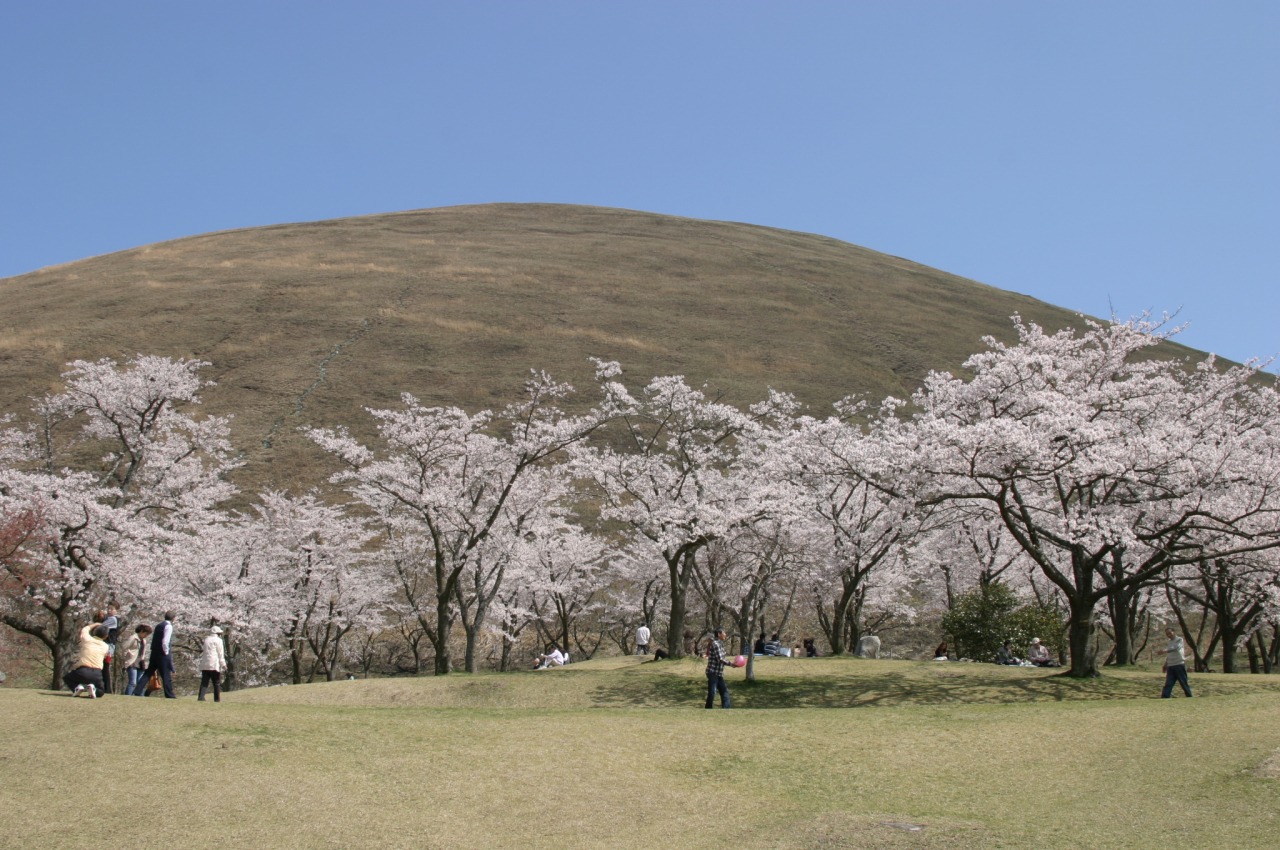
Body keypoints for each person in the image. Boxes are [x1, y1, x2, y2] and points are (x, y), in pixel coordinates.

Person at [132, 611, 177, 698]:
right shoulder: (168, 626)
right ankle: (169, 694)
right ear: (173, 618)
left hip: (154, 652)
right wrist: (166, 652)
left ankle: (137, 690)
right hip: (162, 653)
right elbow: (165, 641)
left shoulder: (159, 625)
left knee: (148, 672)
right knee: (166, 675)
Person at [63, 621, 110, 698]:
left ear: (94, 632)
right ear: (106, 636)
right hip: (96, 673)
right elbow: (105, 657)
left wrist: (96, 624)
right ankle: (94, 689)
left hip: (82, 671)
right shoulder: (106, 646)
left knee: (67, 678)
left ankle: (77, 687)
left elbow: (85, 629)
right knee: (101, 691)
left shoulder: (87, 639)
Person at [197, 625, 228, 702]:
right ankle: (217, 699)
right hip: (214, 664)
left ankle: (201, 697)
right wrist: (223, 665)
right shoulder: (218, 640)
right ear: (217, 633)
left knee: (204, 681)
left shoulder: (206, 639)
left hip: (205, 663)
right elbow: (220, 654)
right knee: (216, 682)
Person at [120, 623, 153, 697]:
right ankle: (127, 696)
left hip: (140, 662)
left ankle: (140, 697)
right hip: (132, 662)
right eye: (146, 633)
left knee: (140, 682)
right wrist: (127, 653)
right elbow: (124, 647)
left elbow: (143, 651)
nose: (146, 635)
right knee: (133, 682)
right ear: (141, 631)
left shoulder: (144, 640)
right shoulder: (133, 638)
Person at [1161, 627, 1193, 698]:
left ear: (1174, 632)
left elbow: (1176, 648)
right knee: (1168, 683)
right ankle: (1164, 698)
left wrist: (1164, 651)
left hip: (1179, 665)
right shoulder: (1169, 642)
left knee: (1183, 683)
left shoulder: (1179, 640)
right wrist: (1165, 664)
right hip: (1171, 666)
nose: (1169, 635)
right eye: (1167, 634)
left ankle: (1189, 696)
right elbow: (1169, 654)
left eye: (1170, 633)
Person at [704, 628, 731, 709]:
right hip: (712, 672)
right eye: (724, 633)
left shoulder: (720, 644)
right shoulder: (715, 644)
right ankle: (708, 709)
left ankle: (726, 710)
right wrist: (731, 664)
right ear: (719, 634)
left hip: (719, 673)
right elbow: (720, 659)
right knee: (712, 692)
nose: (725, 634)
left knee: (724, 692)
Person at [100, 604, 120, 693]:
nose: (109, 611)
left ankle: (106, 688)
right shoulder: (108, 618)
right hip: (106, 644)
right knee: (103, 665)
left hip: (109, 645)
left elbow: (100, 626)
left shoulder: (113, 619)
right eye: (108, 609)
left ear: (116, 610)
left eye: (112, 609)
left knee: (105, 665)